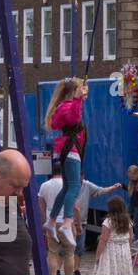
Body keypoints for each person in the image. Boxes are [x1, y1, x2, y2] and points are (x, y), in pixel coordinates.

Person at [45, 77, 88, 246]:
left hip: (66, 149)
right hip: (70, 150)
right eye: (80, 91)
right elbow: (74, 119)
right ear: (73, 92)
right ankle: (67, 222)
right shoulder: (68, 106)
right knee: (74, 186)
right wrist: (78, 99)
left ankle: (52, 220)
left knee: (66, 188)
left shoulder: (63, 106)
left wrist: (80, 97)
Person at [93, 197, 134, 275]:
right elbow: (130, 237)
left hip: (110, 250)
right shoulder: (128, 221)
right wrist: (128, 250)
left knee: (105, 273)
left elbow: (103, 240)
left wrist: (97, 256)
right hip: (124, 249)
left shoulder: (108, 222)